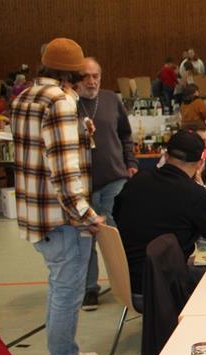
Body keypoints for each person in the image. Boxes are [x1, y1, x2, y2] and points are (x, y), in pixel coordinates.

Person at [10, 38, 106, 355]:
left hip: (36, 215)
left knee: (59, 287)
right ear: (72, 72)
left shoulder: (24, 98)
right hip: (63, 218)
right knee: (67, 291)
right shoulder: (61, 101)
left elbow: (37, 153)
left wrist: (82, 133)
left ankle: (66, 350)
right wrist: (86, 215)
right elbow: (63, 171)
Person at [114, 130, 206, 295]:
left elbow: (116, 214)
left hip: (128, 280)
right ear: (200, 163)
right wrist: (203, 189)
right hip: (164, 286)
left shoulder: (136, 181)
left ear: (165, 155)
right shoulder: (194, 193)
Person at [76, 57, 138, 310]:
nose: (91, 81)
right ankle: (90, 288)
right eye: (86, 76)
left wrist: (131, 161)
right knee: (84, 238)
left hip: (115, 177)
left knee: (117, 234)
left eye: (96, 76)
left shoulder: (111, 99)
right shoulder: (68, 103)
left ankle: (127, 283)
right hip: (82, 183)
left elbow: (125, 133)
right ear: (75, 79)